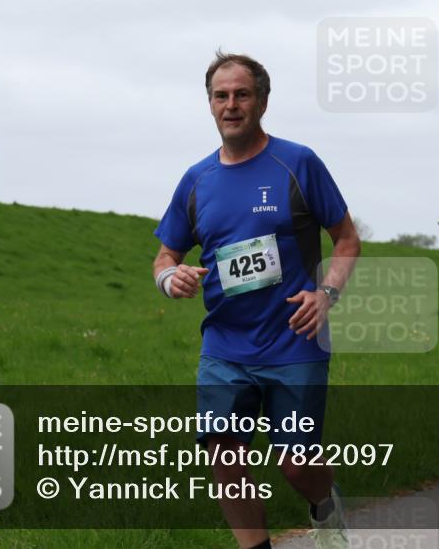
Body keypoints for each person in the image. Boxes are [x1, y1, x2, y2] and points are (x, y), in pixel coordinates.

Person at [153, 52, 360, 549]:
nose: (231, 105)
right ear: (209, 105)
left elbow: (347, 240)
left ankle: (325, 506)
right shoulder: (197, 180)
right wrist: (170, 278)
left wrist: (326, 294)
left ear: (262, 101)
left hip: (294, 341)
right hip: (225, 345)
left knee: (297, 465)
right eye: (221, 96)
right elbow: (165, 255)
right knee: (224, 452)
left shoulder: (297, 163)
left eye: (241, 94)